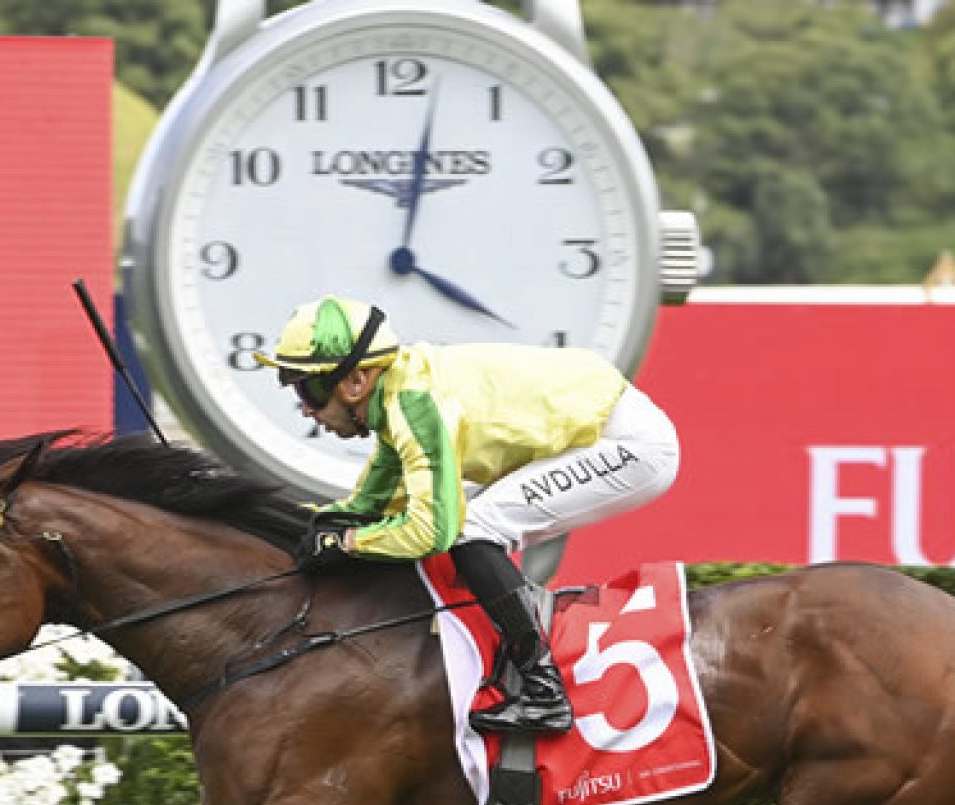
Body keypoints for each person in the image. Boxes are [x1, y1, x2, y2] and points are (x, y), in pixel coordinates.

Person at [254, 295, 680, 735]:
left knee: (470, 531)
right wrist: (303, 526)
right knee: (470, 526)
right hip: (595, 428)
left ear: (357, 381)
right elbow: (365, 506)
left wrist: (347, 544)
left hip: (628, 445)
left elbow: (429, 532)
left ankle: (543, 691)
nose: (305, 408)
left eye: (309, 389)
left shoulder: (415, 407)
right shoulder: (397, 397)